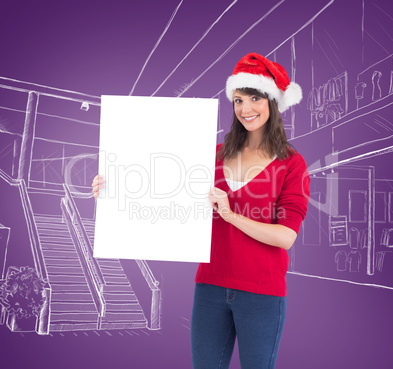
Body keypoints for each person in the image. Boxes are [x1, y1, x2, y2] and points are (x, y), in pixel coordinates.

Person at [92, 52, 310, 369]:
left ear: (272, 102)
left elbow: (286, 236)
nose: (245, 109)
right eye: (237, 100)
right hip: (209, 288)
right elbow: (162, 188)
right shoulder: (213, 155)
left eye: (254, 98)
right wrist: (113, 189)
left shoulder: (292, 163)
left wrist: (232, 215)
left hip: (262, 295)